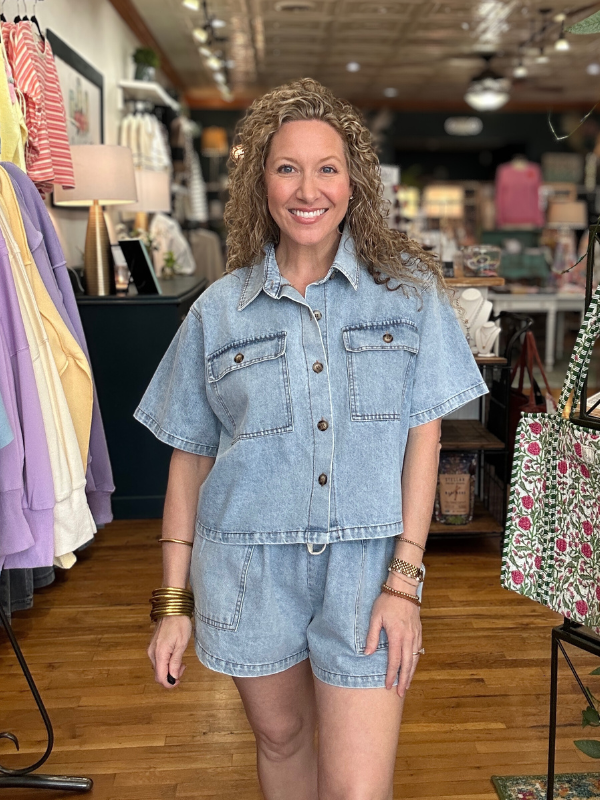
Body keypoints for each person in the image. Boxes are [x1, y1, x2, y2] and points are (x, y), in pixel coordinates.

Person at [135, 78, 488, 800]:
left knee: (357, 790)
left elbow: (425, 440)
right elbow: (188, 460)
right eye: (287, 168)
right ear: (260, 183)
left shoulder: (409, 297)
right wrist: (173, 605)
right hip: (247, 570)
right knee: (282, 740)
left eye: (327, 168)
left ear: (353, 183)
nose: (307, 189)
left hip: (367, 570)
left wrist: (406, 581)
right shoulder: (217, 312)